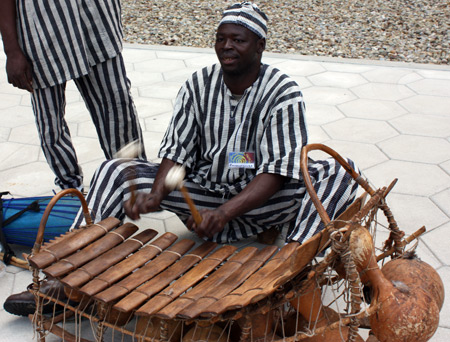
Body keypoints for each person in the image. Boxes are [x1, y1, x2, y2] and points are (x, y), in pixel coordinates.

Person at [3, 2, 358, 316]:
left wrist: (226, 213)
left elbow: (275, 173)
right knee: (114, 169)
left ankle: (291, 265)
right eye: (221, 39)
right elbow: (176, 156)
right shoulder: (198, 85)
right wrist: (158, 194)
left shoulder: (283, 93)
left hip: (261, 201)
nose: (227, 47)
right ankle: (63, 281)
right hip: (207, 196)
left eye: (238, 40)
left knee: (339, 172)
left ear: (260, 46)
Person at [0, 0, 146, 191]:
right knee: (50, 124)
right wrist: (12, 50)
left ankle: (134, 181)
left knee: (118, 104)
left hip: (96, 22)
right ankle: (70, 189)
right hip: (41, 34)